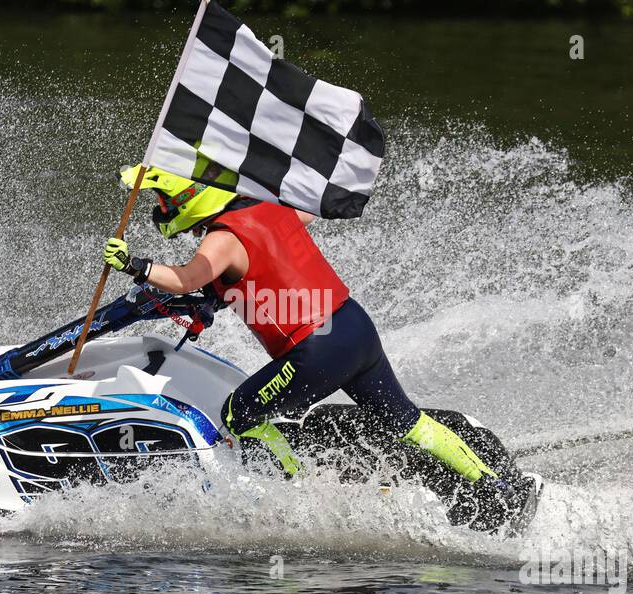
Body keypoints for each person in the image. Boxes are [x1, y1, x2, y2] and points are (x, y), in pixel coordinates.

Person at [101, 164, 536, 526]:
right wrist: (220, 295)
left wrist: (135, 265)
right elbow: (276, 247)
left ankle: (297, 500)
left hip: (316, 350)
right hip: (355, 328)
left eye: (162, 201)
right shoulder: (271, 208)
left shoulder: (221, 238)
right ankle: (497, 487)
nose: (160, 210)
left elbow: (188, 278)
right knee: (408, 423)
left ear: (188, 198)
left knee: (241, 413)